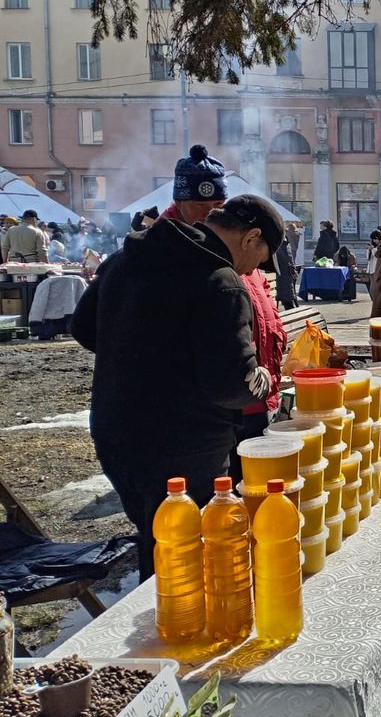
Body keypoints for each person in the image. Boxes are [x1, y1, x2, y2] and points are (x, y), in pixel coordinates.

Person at [71, 195, 283, 579]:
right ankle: (179, 629)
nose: (256, 269)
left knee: (157, 538)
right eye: (262, 258)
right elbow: (232, 383)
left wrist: (142, 357)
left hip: (116, 430)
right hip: (187, 442)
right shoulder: (220, 282)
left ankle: (156, 617)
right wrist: (265, 380)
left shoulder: (127, 259)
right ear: (251, 237)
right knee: (189, 555)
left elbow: (84, 327)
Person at [160, 153, 286, 483]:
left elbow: (261, 311)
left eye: (217, 203)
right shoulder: (169, 255)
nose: (209, 213)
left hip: (252, 396)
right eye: (198, 204)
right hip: (209, 413)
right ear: (178, 201)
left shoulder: (234, 246)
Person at [274, 233, 298, 310]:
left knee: (288, 295)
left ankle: (290, 306)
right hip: (284, 277)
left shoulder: (283, 245)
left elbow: (289, 260)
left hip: (285, 276)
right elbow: (289, 260)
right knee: (287, 295)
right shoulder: (284, 245)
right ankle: (290, 306)